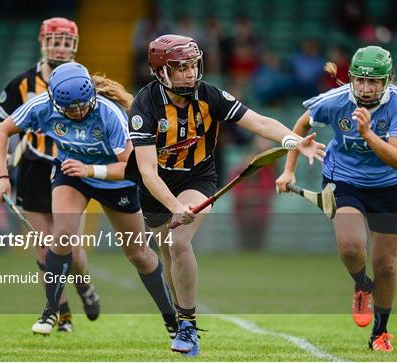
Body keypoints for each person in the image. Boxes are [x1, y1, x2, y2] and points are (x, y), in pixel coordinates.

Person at [127, 34, 326, 357]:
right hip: (156, 187)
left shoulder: (210, 96)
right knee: (167, 252)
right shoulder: (144, 106)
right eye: (180, 68)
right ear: (162, 72)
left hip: (197, 177)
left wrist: (294, 141)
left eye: (193, 65)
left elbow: (258, 121)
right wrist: (174, 206)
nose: (190, 73)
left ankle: (189, 327)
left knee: (179, 243)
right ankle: (181, 318)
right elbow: (148, 171)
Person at [0, 62, 178, 337]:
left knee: (138, 254)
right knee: (63, 236)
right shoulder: (41, 106)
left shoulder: (110, 114)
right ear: (55, 102)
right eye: (71, 109)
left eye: (83, 106)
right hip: (72, 175)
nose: (79, 112)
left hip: (116, 180)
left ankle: (172, 320)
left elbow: (132, 166)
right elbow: (1, 130)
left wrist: (90, 169)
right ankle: (51, 310)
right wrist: (2, 176)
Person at [276, 45, 397, 352]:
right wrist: (289, 171)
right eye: (360, 81)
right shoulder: (334, 100)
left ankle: (380, 332)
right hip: (344, 178)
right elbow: (301, 126)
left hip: (388, 185)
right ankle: (362, 285)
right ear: (350, 78)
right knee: (351, 247)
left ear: (387, 81)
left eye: (374, 82)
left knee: (386, 265)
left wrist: (367, 134)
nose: (365, 89)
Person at [0, 17, 99, 332]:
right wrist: (1, 172)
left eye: (67, 43)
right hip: (35, 168)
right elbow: (1, 126)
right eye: (55, 41)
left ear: (74, 46)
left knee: (71, 247)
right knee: (43, 245)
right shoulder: (22, 84)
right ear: (43, 42)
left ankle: (84, 287)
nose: (61, 48)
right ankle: (59, 311)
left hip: (70, 168)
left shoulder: (85, 80)